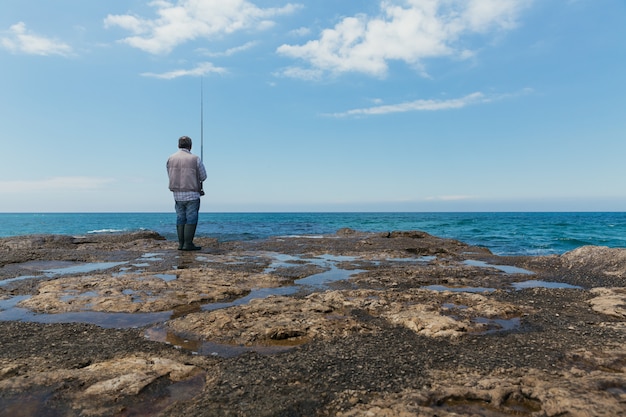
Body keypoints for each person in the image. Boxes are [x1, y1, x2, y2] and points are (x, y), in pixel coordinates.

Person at [166, 136, 207, 251]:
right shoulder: (195, 159)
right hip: (192, 193)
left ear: (179, 145)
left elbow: (169, 173)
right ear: (190, 146)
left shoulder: (170, 158)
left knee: (180, 217)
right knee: (191, 218)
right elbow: (203, 176)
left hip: (177, 194)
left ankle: (181, 244)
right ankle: (188, 244)